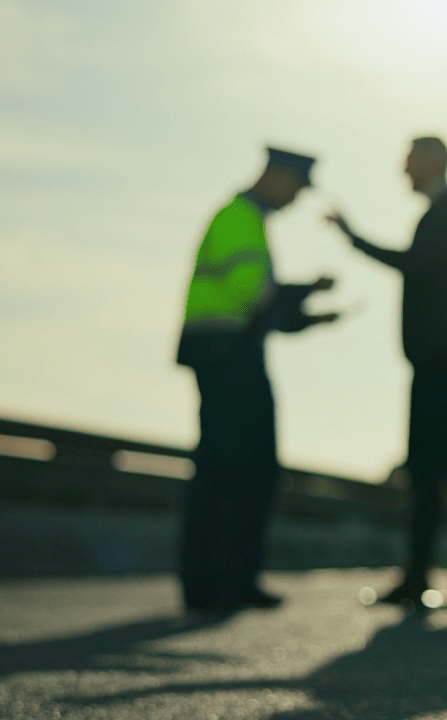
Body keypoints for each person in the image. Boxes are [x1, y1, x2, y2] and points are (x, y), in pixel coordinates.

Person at [326, 136, 447, 608]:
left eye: (409, 160)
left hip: (440, 363)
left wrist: (354, 238)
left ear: (432, 162)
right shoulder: (445, 216)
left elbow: (414, 266)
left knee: (445, 473)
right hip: (437, 361)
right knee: (436, 472)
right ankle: (440, 574)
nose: (402, 169)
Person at [176, 146, 339, 612]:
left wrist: (310, 314)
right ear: (278, 177)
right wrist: (305, 293)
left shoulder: (239, 218)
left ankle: (212, 583)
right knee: (247, 471)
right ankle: (228, 581)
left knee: (220, 468)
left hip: (220, 351)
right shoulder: (241, 219)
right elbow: (254, 298)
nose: (296, 201)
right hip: (230, 355)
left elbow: (259, 304)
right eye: (297, 189)